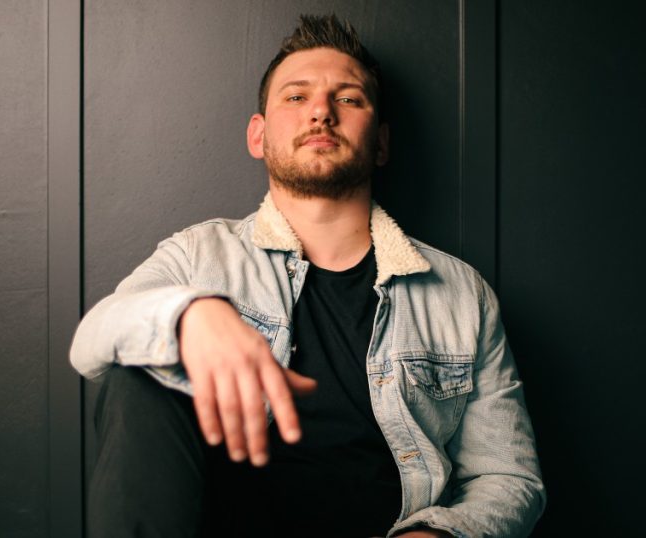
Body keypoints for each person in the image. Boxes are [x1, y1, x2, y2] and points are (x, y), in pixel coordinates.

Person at [70, 14, 544, 538]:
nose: (321, 111)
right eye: (297, 97)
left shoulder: (459, 293)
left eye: (349, 99)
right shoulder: (199, 255)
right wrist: (189, 316)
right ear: (258, 135)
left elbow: (509, 477)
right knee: (138, 374)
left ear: (381, 143)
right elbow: (91, 341)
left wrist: (436, 535)